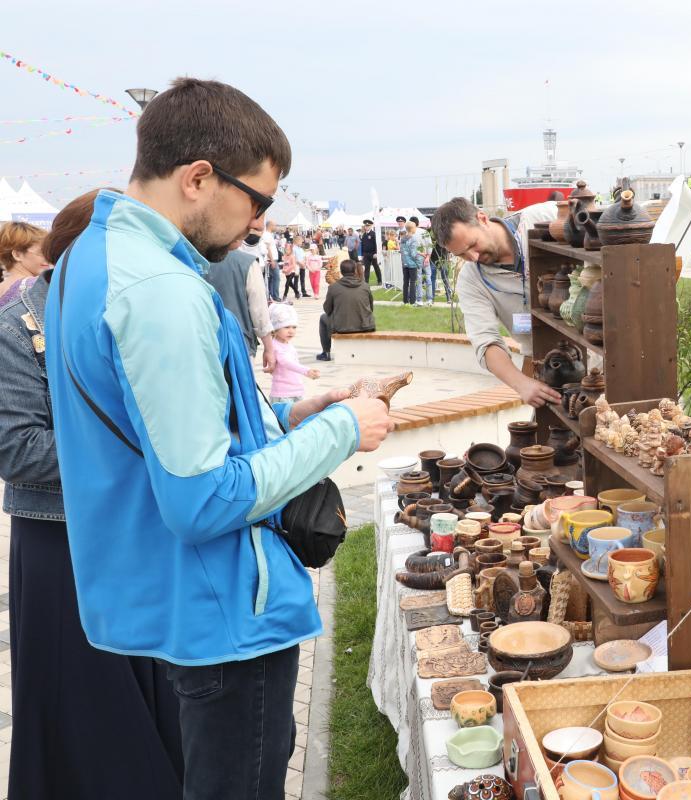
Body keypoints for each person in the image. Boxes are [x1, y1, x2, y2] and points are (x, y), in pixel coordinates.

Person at [44, 77, 394, 800]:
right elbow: (201, 498)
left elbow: (160, 430)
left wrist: (290, 416)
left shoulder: (95, 257)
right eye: (258, 201)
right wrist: (341, 431)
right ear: (199, 177)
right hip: (222, 610)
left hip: (174, 596)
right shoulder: (160, 291)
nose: (259, 225)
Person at [1, 188, 186, 799]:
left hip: (137, 534)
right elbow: (15, 448)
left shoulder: (125, 308)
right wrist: (143, 455)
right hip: (61, 546)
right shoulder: (17, 324)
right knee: (86, 716)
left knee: (153, 703)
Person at [432, 196, 560, 406]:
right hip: (543, 362)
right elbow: (486, 341)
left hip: (601, 351)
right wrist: (522, 384)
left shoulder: (544, 217)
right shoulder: (471, 280)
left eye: (473, 245)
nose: (472, 257)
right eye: (461, 255)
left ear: (482, 218)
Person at [204, 239, 276, 372]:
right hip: (239, 343)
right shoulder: (246, 262)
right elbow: (259, 311)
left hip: (203, 343)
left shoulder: (193, 260)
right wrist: (269, 348)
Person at [318, 259, 376, 361]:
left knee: (323, 318)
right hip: (366, 326)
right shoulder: (365, 286)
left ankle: (326, 352)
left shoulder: (333, 287)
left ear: (341, 272)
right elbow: (371, 308)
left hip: (342, 327)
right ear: (354, 271)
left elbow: (327, 310)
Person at [267, 303, 319, 403]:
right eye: (286, 327)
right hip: (283, 393)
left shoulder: (288, 344)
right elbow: (286, 362)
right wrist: (306, 371)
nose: (291, 331)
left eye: (294, 327)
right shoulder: (275, 345)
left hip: (296, 390)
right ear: (275, 329)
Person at [0, 221, 50, 305]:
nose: (48, 257)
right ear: (17, 254)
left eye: (48, 252)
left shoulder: (2, 286)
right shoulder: (34, 285)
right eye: (41, 252)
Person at [400, 223, 421, 305]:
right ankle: (412, 301)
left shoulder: (402, 239)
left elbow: (402, 251)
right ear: (412, 229)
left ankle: (405, 300)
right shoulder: (413, 239)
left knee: (405, 282)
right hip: (412, 264)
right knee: (413, 282)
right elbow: (413, 254)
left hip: (404, 263)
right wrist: (418, 263)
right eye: (415, 227)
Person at [264, 220, 282, 301]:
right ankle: (275, 295)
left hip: (272, 259)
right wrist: (272, 260)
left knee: (271, 278)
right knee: (276, 278)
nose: (276, 227)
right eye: (275, 225)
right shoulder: (267, 235)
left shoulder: (269, 235)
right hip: (272, 260)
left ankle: (272, 295)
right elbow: (267, 248)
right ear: (270, 225)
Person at [360, 218, 380, 284]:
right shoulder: (364, 235)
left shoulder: (373, 234)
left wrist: (376, 253)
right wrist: (362, 254)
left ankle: (379, 280)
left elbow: (376, 244)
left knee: (376, 267)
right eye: (366, 226)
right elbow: (362, 245)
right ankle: (366, 282)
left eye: (368, 226)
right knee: (366, 268)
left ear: (371, 226)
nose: (367, 227)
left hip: (373, 254)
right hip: (366, 254)